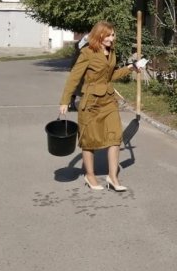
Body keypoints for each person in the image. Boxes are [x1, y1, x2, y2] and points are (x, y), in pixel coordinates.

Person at [59, 21, 138, 192]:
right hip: (90, 102)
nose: (112, 38)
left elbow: (110, 75)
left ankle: (113, 177)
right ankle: (90, 175)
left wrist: (130, 68)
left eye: (113, 35)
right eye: (108, 35)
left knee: (115, 137)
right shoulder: (87, 52)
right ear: (99, 35)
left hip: (108, 100)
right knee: (89, 141)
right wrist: (65, 100)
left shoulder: (111, 52)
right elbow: (74, 77)